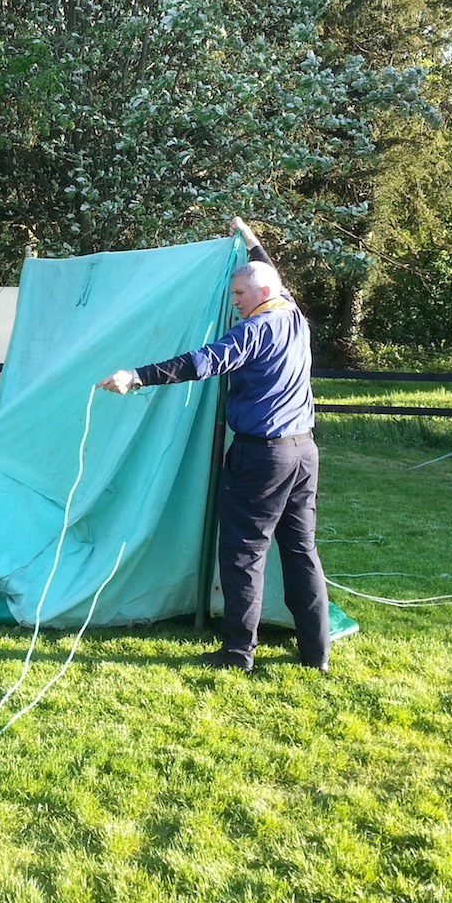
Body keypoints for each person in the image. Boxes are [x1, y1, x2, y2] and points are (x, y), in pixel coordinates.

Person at [98, 216, 331, 675]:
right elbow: (269, 272)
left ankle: (238, 653)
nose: (235, 302)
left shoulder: (254, 330)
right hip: (304, 453)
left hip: (262, 456)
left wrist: (137, 376)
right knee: (301, 551)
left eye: (239, 294)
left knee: (244, 554)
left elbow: (202, 362)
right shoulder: (293, 314)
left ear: (262, 293)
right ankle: (315, 653)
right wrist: (252, 241)